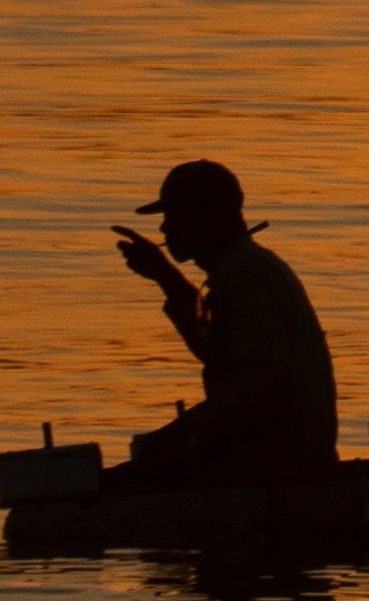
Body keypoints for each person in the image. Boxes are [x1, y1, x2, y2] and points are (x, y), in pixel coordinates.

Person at [108, 156, 339, 483]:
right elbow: (219, 353)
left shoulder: (243, 274)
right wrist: (166, 278)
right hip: (288, 456)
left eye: (172, 216)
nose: (163, 228)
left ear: (201, 216)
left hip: (282, 465)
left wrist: (180, 430)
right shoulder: (242, 266)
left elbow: (260, 382)